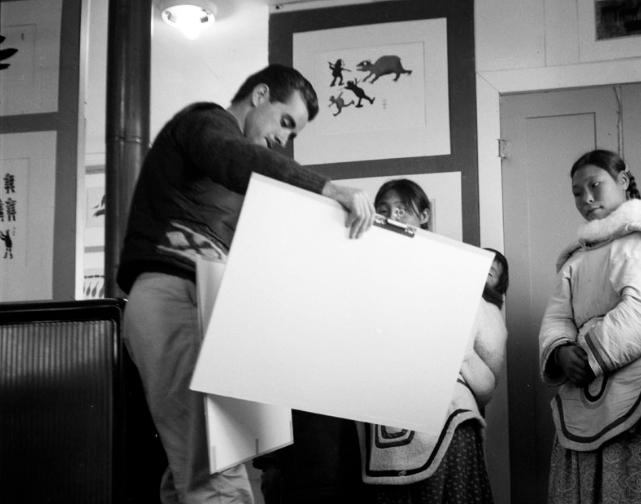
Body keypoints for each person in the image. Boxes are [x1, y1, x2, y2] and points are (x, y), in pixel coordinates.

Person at [117, 64, 375, 504]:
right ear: (259, 95)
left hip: (190, 301)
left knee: (191, 470)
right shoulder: (207, 123)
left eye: (293, 134)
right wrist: (327, 189)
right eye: (285, 122)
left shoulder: (230, 182)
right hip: (177, 296)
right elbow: (236, 158)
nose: (283, 139)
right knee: (216, 471)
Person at [538, 149, 641, 503]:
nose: (586, 198)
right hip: (583, 385)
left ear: (623, 182)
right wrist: (562, 352)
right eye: (577, 192)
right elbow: (556, 317)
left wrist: (590, 355)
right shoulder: (576, 259)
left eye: (595, 185)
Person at [358, 178, 506, 504]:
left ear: (424, 215)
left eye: (402, 210)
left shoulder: (457, 271)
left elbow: (488, 374)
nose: (392, 217)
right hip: (385, 419)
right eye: (383, 211)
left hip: (449, 418)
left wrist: (457, 353)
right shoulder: (366, 274)